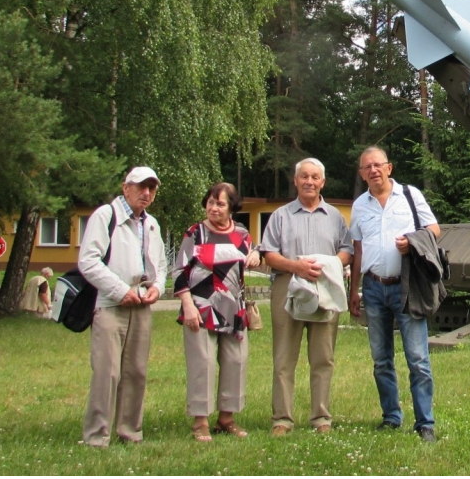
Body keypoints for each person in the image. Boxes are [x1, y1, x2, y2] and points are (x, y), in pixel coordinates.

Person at [349, 146, 440, 442]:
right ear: (362, 174)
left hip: (406, 286)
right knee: (381, 359)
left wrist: (411, 243)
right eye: (367, 167)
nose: (373, 170)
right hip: (373, 287)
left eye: (378, 165)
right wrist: (355, 289)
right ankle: (391, 416)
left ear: (389, 167)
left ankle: (425, 423)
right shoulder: (360, 206)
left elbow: (435, 230)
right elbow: (358, 249)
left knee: (417, 358)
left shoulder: (410, 196)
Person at [259, 157, 352, 437]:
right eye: (304, 177)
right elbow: (269, 254)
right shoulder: (281, 216)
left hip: (326, 287)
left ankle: (321, 417)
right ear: (295, 180)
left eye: (315, 177)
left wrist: (330, 265)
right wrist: (296, 266)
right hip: (288, 286)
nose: (309, 182)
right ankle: (282, 419)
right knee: (284, 357)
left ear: (322, 182)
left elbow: (347, 249)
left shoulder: (335, 217)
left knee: (323, 356)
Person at [78, 167, 167, 448]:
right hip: (109, 304)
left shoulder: (151, 223)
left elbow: (161, 265)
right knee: (107, 371)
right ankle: (97, 436)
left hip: (141, 304)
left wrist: (157, 287)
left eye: (152, 188)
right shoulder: (106, 216)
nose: (146, 193)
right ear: (125, 187)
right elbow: (88, 261)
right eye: (141, 187)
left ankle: (130, 431)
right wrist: (119, 290)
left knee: (136, 371)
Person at [173, 182, 252, 442]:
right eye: (210, 202)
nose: (213, 208)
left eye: (220, 203)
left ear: (231, 208)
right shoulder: (195, 232)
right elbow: (179, 271)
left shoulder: (242, 234)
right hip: (201, 306)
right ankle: (201, 422)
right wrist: (187, 304)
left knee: (236, 361)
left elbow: (248, 258)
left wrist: (257, 256)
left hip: (233, 308)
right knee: (203, 363)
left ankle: (226, 419)